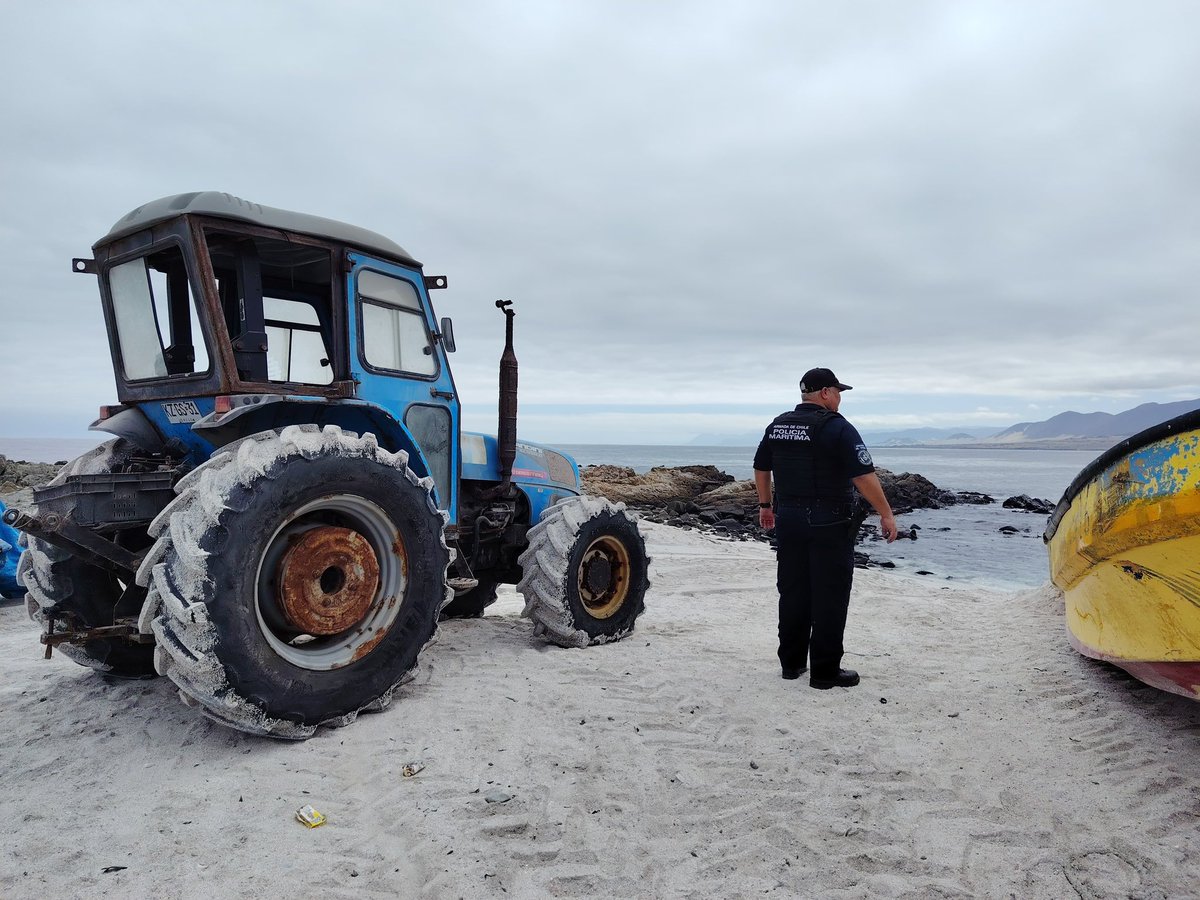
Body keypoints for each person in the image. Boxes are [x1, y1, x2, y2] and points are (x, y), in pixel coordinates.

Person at [753, 367, 897, 689]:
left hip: (788, 519)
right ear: (825, 393)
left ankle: (791, 665)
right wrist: (886, 513)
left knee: (793, 591)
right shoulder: (838, 428)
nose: (840, 399)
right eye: (838, 392)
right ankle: (824, 672)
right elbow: (863, 476)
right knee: (829, 595)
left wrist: (765, 506)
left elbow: (761, 467)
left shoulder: (778, 425)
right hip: (829, 521)